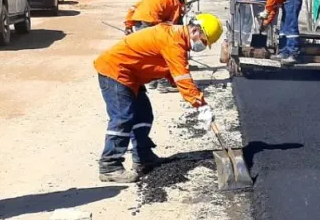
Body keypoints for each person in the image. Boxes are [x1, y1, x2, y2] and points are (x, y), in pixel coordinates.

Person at [93, 14, 223, 183]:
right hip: (115, 71)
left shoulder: (177, 39)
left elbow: (173, 73)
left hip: (132, 76)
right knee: (122, 118)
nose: (203, 46)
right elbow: (182, 77)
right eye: (204, 41)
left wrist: (195, 97)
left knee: (144, 115)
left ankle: (143, 157)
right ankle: (109, 166)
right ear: (195, 30)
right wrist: (200, 105)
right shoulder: (173, 41)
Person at [241, 0, 301, 64]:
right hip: (287, 0)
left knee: (290, 27)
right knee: (283, 29)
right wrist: (266, 22)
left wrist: (266, 11)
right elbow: (273, 6)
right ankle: (284, 53)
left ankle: (293, 54)